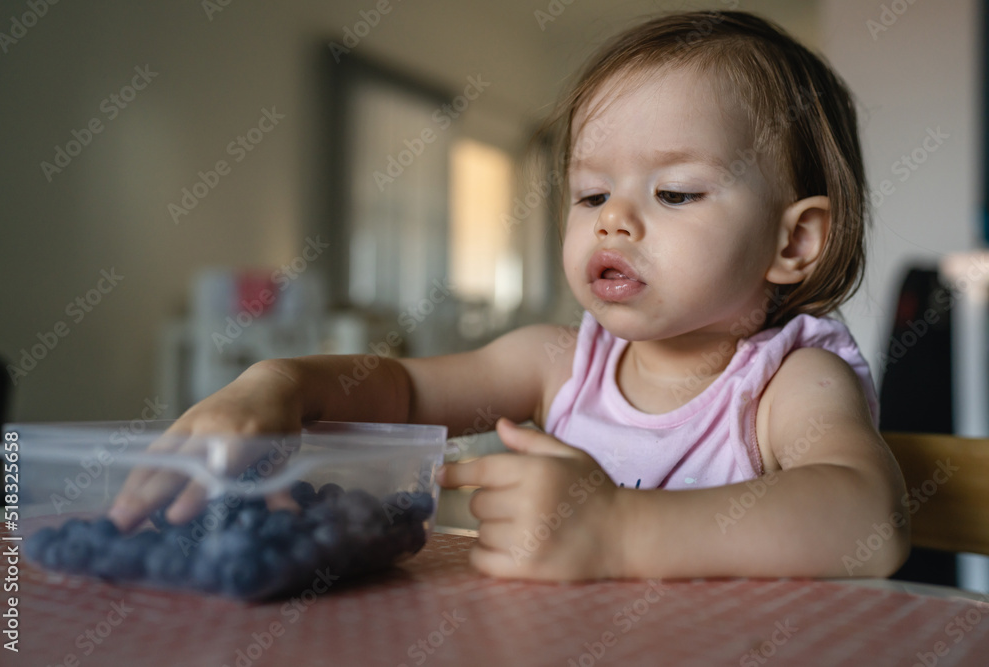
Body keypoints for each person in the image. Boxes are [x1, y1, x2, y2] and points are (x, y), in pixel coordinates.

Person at [110, 10, 910, 581]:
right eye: (592, 195)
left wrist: (619, 532)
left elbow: (868, 523)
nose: (615, 222)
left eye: (674, 192)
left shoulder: (787, 382)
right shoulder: (557, 362)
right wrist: (280, 383)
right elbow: (404, 387)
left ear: (793, 241)